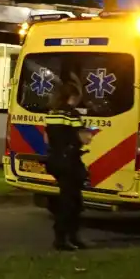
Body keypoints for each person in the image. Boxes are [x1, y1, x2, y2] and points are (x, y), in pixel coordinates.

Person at [44, 82, 92, 251]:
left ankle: (72, 237)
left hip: (55, 159)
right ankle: (62, 238)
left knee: (72, 199)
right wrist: (89, 132)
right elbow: (85, 138)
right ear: (74, 96)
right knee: (70, 202)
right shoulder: (72, 114)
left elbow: (46, 138)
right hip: (69, 161)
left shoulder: (51, 113)